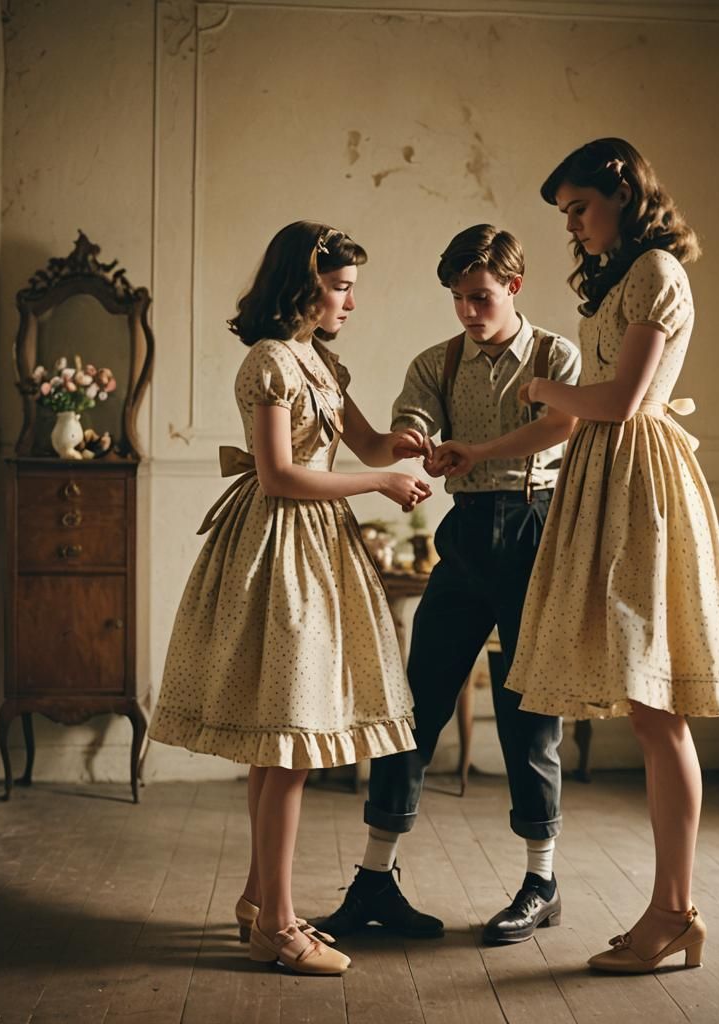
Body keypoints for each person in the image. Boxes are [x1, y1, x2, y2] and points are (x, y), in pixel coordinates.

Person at [437, 141, 719, 973]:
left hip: (639, 482)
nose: (572, 226)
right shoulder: (626, 275)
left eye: (578, 207)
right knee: (651, 712)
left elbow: (622, 400)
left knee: (659, 708)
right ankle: (668, 910)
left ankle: (674, 910)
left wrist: (545, 391)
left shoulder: (655, 272)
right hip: (607, 481)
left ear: (621, 190)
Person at [148, 221, 433, 975]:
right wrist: (378, 483)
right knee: (289, 745)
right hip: (280, 550)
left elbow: (370, 445)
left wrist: (413, 441)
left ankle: (258, 900)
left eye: (351, 290)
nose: (349, 302)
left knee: (287, 746)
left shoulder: (318, 360)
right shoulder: (270, 360)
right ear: (303, 285)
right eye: (340, 288)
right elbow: (278, 475)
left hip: (318, 550)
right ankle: (276, 927)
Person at [316, 224, 581, 945]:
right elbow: (413, 418)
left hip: (536, 529)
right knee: (414, 706)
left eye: (481, 297)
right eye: (458, 299)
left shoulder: (556, 353)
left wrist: (481, 450)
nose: (467, 311)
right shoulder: (437, 360)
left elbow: (561, 425)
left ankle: (540, 881)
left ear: (514, 288)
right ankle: (376, 878)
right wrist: (410, 440)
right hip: (465, 535)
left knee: (529, 714)